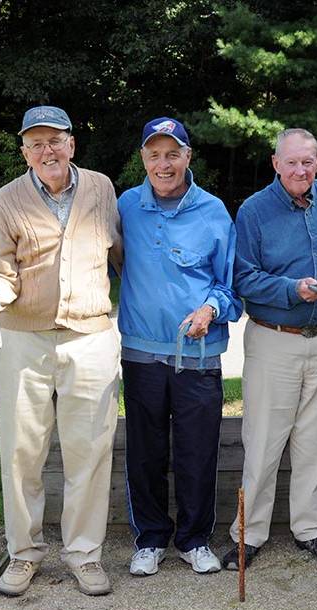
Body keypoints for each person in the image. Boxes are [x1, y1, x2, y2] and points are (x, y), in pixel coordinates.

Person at [0, 105, 122, 596]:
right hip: (24, 340)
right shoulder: (8, 199)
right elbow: (2, 274)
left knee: (89, 452)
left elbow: (121, 253)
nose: (46, 151)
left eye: (55, 141)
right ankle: (23, 554)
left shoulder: (101, 188)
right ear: (25, 152)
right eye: (36, 144)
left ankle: (85, 554)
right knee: (21, 453)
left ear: (72, 144)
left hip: (91, 338)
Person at [220, 128, 317, 570]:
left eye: (309, 161)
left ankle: (310, 529)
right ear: (275, 163)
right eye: (291, 162)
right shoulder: (255, 211)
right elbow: (242, 278)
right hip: (275, 337)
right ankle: (249, 534)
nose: (301, 170)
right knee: (263, 442)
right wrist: (293, 290)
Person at [118, 117, 242, 576]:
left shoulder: (213, 211)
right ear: (144, 159)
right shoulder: (126, 205)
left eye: (173, 154)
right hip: (140, 352)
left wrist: (209, 310)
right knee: (145, 451)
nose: (163, 163)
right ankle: (149, 539)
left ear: (188, 157)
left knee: (197, 451)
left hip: (198, 356)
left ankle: (194, 539)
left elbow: (231, 286)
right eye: (155, 155)